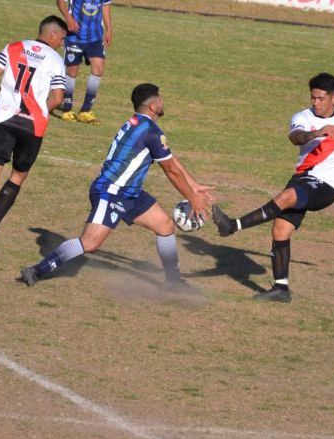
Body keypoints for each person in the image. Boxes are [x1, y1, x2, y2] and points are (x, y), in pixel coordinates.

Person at [212, 73, 334, 302]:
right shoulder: (302, 116)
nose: (315, 103)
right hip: (302, 179)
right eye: (313, 98)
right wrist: (317, 133)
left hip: (325, 187)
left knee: (287, 197)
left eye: (320, 99)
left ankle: (232, 226)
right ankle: (281, 289)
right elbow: (296, 138)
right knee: (280, 230)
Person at [20, 83, 214, 290]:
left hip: (130, 192)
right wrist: (192, 198)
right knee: (91, 243)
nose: (162, 101)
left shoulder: (139, 124)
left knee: (165, 226)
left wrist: (193, 186)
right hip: (112, 191)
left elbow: (171, 160)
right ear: (153, 106)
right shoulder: (151, 131)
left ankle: (173, 282)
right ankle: (37, 270)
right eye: (160, 99)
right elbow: (171, 171)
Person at [0, 16, 69, 249]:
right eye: (62, 38)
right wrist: (41, 110)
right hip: (33, 125)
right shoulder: (55, 60)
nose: (62, 43)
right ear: (52, 35)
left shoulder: (13, 47)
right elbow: (58, 98)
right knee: (18, 175)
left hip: (3, 117)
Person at [55, 0, 113, 125]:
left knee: (98, 68)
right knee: (72, 71)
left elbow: (105, 6)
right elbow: (61, 0)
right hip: (75, 35)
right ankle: (67, 109)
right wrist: (68, 18)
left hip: (95, 35)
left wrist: (109, 28)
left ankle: (86, 110)